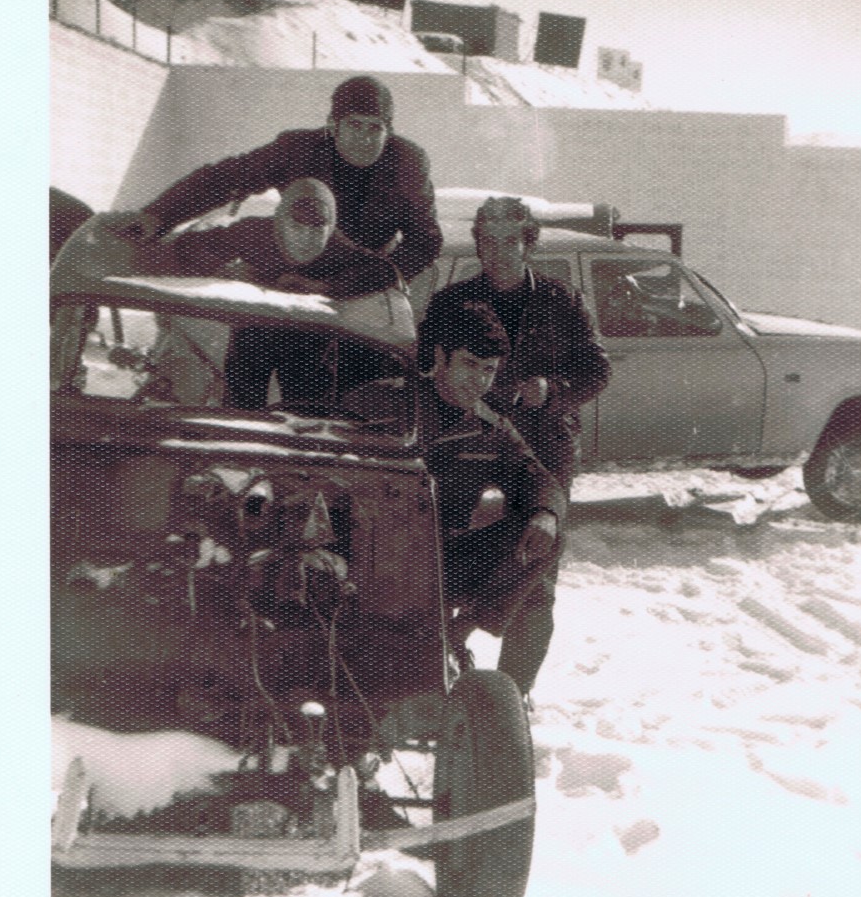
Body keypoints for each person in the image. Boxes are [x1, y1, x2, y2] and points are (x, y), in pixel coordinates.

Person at [419, 195, 611, 700]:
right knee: (430, 552)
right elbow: (419, 363)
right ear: (477, 244)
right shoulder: (450, 302)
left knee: (535, 570)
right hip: (466, 439)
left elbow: (598, 370)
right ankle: (432, 665)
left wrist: (553, 390)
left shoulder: (560, 299)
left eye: (510, 241)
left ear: (528, 243)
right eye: (488, 241)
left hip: (542, 442)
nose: (498, 252)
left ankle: (508, 696)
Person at [350, 299, 565, 664]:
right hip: (364, 558)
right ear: (440, 356)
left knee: (550, 534)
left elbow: (540, 479)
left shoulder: (489, 428)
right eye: (469, 363)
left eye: (489, 369)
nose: (479, 380)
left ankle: (455, 634)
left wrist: (545, 512)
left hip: (440, 563)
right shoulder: (379, 402)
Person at [97, 74, 441, 284]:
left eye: (375, 129)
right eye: (354, 125)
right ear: (333, 125)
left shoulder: (407, 162)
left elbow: (424, 241)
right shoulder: (299, 149)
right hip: (290, 270)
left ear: (389, 131)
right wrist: (158, 215)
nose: (364, 139)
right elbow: (224, 179)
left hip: (365, 276)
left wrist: (365, 281)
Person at [149, 178, 402, 412]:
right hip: (253, 331)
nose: (306, 239)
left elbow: (385, 271)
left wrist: (321, 286)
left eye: (316, 231)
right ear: (281, 221)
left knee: (309, 416)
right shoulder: (255, 233)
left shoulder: (337, 247)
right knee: (241, 411)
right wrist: (222, 269)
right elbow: (188, 245)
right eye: (297, 227)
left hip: (309, 339)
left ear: (330, 227)